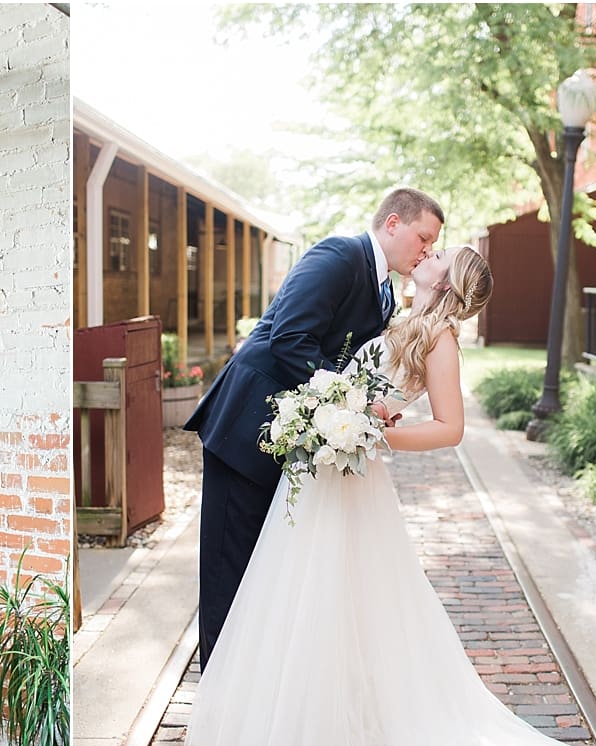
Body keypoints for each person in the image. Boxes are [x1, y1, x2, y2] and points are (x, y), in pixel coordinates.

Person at [186, 247, 596, 746]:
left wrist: (372, 430)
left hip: (353, 473)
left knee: (345, 595)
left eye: (440, 255)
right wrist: (335, 416)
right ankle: (291, 727)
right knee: (306, 595)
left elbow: (449, 427)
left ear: (449, 281)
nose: (428, 255)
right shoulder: (398, 320)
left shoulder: (442, 341)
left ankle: (327, 741)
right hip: (327, 472)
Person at [185, 187, 445, 670]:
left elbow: (358, 361)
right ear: (392, 224)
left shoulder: (384, 290)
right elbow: (289, 338)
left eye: (432, 244)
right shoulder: (338, 255)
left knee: (266, 573)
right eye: (423, 237)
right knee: (228, 569)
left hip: (294, 443)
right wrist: (352, 398)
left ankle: (254, 685)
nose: (426, 250)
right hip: (245, 429)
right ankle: (219, 694)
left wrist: (370, 405)